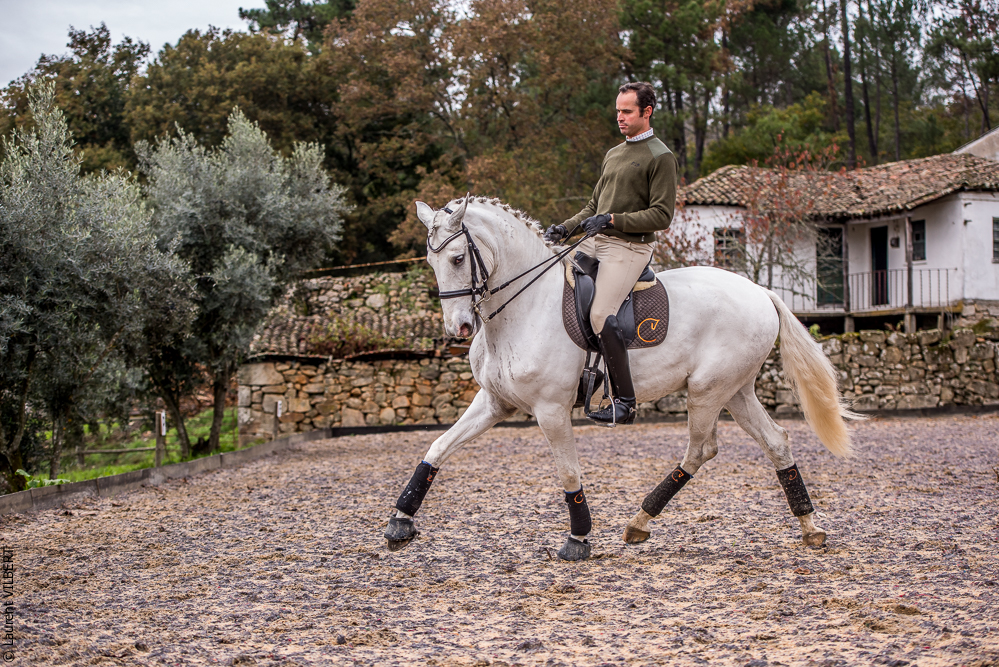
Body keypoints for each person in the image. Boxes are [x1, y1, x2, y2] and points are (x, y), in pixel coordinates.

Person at [544, 81, 678, 425]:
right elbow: (593, 205)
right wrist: (566, 227)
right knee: (547, 270)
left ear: (646, 113)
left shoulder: (661, 157)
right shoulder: (614, 153)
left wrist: (614, 219)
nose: (619, 117)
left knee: (602, 313)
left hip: (629, 247)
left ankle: (624, 401)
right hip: (596, 238)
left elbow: (662, 215)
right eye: (618, 110)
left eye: (626, 111)